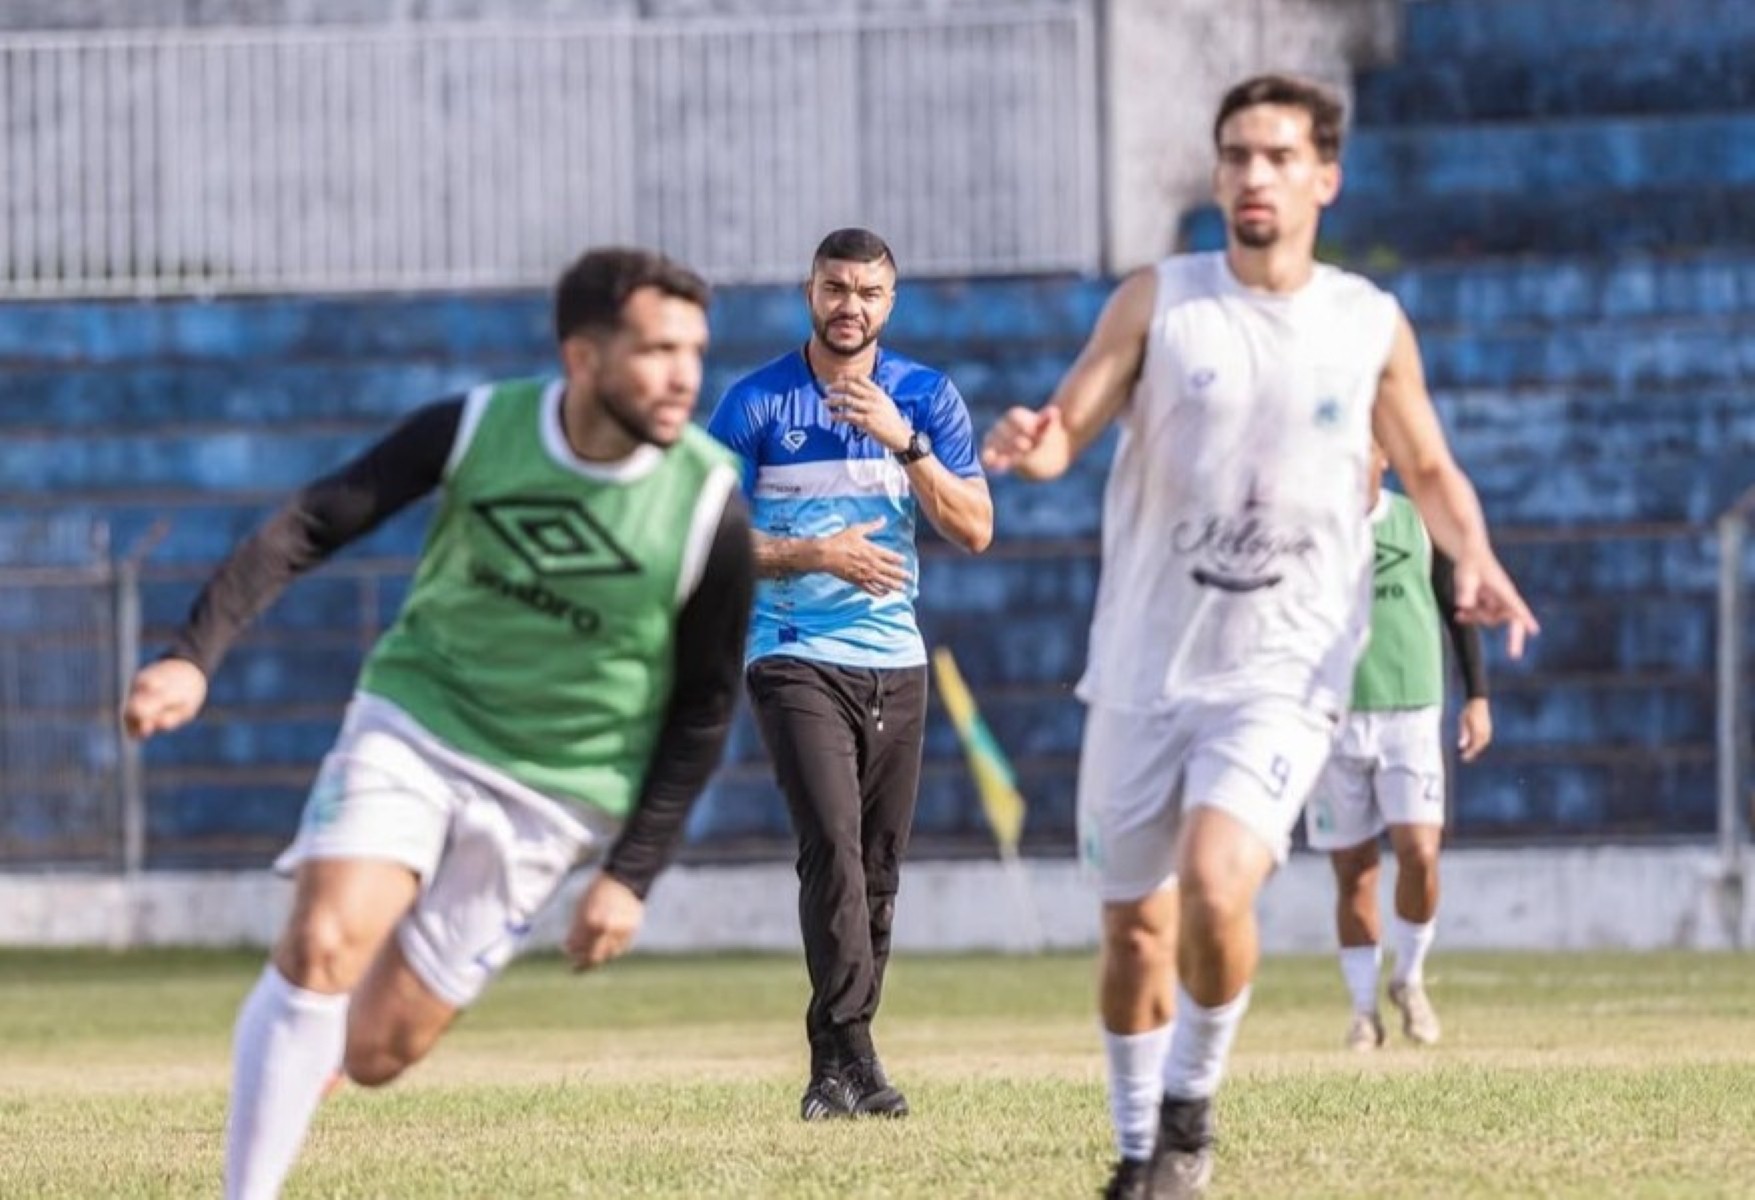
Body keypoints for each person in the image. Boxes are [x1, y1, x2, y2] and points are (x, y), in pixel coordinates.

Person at [980, 74, 1538, 1199]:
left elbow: (1427, 465)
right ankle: (1141, 1153)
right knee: (1135, 934)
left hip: (1283, 671)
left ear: (1323, 177)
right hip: (1142, 663)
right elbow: (1067, 427)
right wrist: (1029, 445)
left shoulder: (1365, 322)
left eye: (1278, 156)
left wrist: (1472, 555)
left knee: (1215, 879)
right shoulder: (1159, 301)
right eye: (1236, 155)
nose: (1253, 176)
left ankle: (1190, 1111)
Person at [120, 247, 755, 1200]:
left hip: (557, 789)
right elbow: (310, 524)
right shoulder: (474, 430)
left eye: (693, 352)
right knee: (324, 941)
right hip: (417, 722)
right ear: (582, 358)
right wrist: (189, 654)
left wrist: (630, 875)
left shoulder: (709, 504)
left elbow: (705, 706)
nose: (683, 378)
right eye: (657, 351)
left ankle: (321, 1050)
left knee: (377, 1050)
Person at [706, 228, 993, 1121]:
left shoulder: (925, 398)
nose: (850, 306)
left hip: (894, 659)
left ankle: (836, 1068)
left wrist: (905, 444)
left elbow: (975, 527)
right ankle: (855, 1050)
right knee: (830, 847)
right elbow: (702, 539)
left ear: (888, 304)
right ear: (809, 292)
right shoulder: (755, 403)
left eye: (868, 292)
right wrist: (808, 552)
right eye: (835, 288)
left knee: (876, 869)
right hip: (791, 652)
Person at [1307, 442, 1492, 1051]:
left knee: (1420, 851)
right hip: (1333, 714)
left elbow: (1455, 606)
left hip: (1411, 708)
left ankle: (1408, 978)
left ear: (1384, 459)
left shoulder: (1414, 521)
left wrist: (1477, 696)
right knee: (1353, 871)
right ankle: (1363, 1010)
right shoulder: (1309, 527)